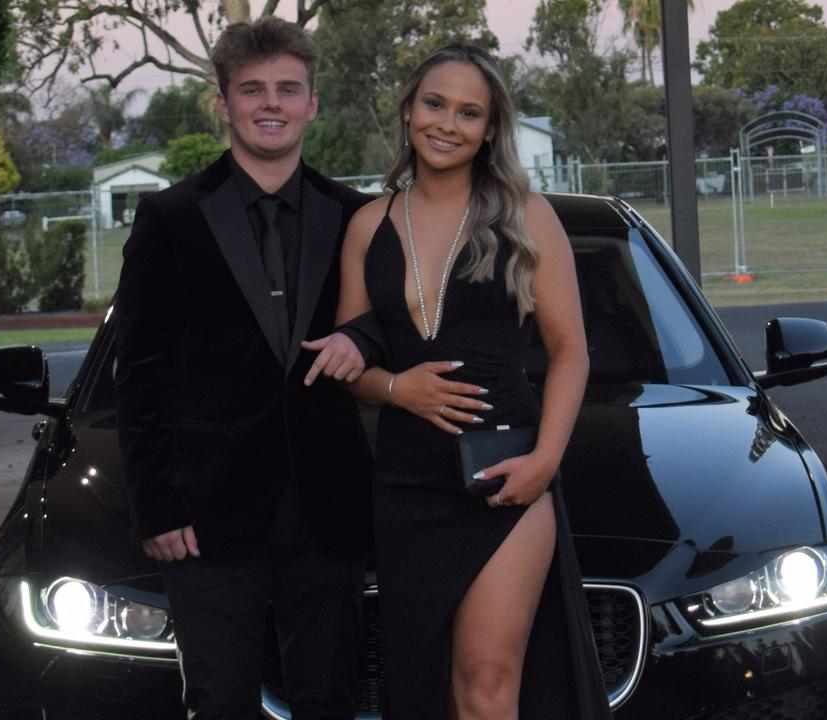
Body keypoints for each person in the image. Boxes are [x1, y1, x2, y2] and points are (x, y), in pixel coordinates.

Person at [324, 44, 614, 719]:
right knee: (423, 685)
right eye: (434, 104)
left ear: (489, 129)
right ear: (407, 110)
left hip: (505, 473)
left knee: (486, 681)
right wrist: (398, 389)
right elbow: (353, 365)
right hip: (405, 483)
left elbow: (571, 352)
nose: (447, 123)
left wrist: (545, 462)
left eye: (468, 112)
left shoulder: (524, 216)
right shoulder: (368, 225)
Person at [111, 17, 377, 720]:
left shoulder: (356, 216)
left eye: (289, 89)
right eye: (252, 88)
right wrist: (156, 506)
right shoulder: (169, 218)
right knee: (220, 701)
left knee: (329, 700)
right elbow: (137, 373)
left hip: (328, 507)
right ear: (223, 103)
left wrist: (366, 342)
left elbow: (391, 327)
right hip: (204, 509)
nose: (272, 103)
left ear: (312, 103)